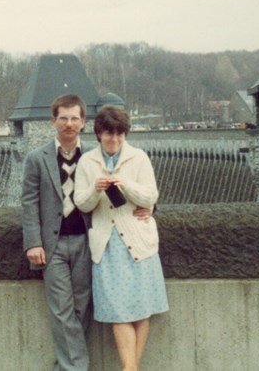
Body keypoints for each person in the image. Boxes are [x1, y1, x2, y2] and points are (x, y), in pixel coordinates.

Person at [21, 94, 152, 371]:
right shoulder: (37, 158)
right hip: (52, 244)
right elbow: (29, 201)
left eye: (75, 118)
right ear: (53, 120)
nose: (69, 124)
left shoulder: (94, 157)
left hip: (88, 240)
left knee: (82, 307)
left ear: (83, 122)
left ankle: (68, 364)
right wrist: (33, 242)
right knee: (61, 309)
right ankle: (75, 368)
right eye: (63, 118)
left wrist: (152, 208)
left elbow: (135, 186)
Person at [74, 105, 168, 371]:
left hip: (139, 242)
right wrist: (96, 189)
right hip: (107, 245)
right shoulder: (87, 162)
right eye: (108, 134)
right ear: (99, 134)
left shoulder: (138, 158)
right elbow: (82, 203)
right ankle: (131, 368)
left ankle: (129, 369)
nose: (114, 140)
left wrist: (126, 185)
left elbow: (150, 197)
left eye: (119, 134)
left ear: (125, 135)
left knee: (141, 309)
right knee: (119, 311)